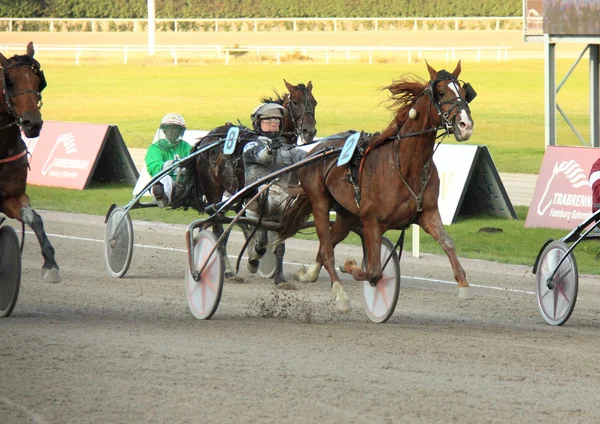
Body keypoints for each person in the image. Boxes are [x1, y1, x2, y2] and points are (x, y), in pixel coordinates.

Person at [242, 103, 307, 276]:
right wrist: (271, 148)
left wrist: (320, 154)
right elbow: (261, 157)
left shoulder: (288, 149)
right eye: (268, 120)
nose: (273, 124)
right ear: (258, 124)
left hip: (283, 196)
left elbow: (304, 156)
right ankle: (258, 244)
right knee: (265, 196)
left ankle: (278, 274)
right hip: (256, 198)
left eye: (277, 121)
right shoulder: (249, 147)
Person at [145, 113, 192, 208]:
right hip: (164, 183)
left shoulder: (186, 147)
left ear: (180, 132)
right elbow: (153, 167)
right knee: (165, 179)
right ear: (164, 130)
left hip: (185, 185)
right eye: (169, 128)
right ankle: (163, 198)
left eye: (175, 129)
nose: (171, 131)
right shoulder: (155, 148)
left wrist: (186, 168)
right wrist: (170, 164)